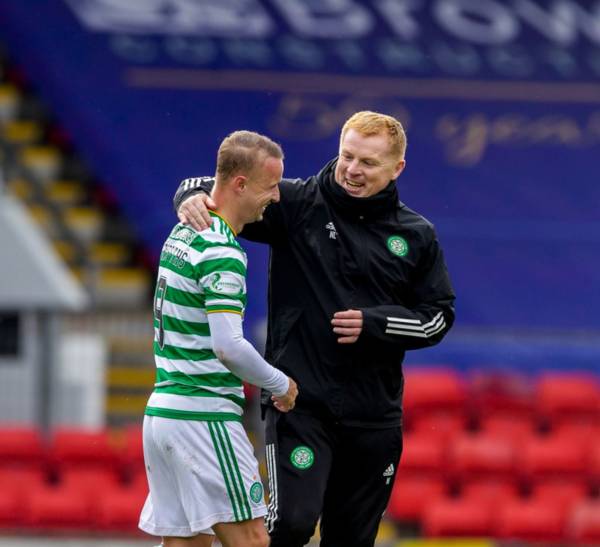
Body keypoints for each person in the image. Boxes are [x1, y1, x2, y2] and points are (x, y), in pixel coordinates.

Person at [173, 111, 456, 547]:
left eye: (368, 163)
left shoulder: (416, 235)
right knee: (291, 524)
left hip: (374, 416)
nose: (353, 170)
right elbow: (229, 187)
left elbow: (438, 316)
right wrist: (188, 196)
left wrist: (377, 323)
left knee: (350, 539)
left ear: (397, 168)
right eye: (347, 156)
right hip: (300, 404)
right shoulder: (296, 204)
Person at [139, 130, 298, 547]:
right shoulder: (222, 249)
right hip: (203, 415)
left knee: (188, 543)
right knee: (252, 540)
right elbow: (227, 347)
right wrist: (280, 383)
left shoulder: (182, 233)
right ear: (240, 184)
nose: (277, 197)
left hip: (163, 415)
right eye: (271, 186)